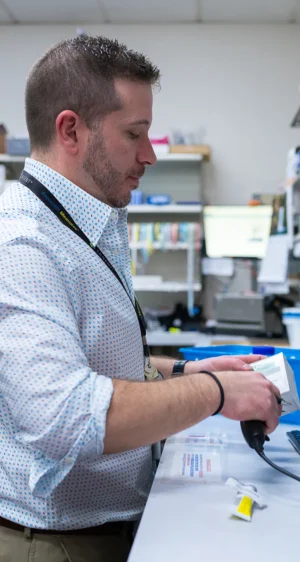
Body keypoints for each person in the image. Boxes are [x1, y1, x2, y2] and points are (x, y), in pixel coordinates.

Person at [0, 35, 281, 562]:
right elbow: (65, 417)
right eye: (135, 134)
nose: (149, 155)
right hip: (61, 542)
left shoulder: (85, 223)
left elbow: (88, 358)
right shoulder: (21, 243)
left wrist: (185, 374)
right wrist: (216, 394)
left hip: (110, 525)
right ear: (70, 130)